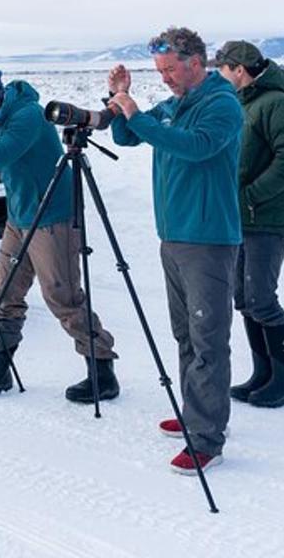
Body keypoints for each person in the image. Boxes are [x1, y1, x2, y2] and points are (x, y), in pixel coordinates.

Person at [0, 57, 120, 402]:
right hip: (19, 217)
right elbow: (2, 157)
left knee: (63, 297)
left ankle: (102, 370)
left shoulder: (28, 115)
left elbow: (2, 155)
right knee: (3, 292)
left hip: (52, 217)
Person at [108, 27, 242, 475]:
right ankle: (194, 412)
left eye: (169, 69)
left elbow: (196, 147)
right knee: (185, 333)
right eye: (158, 71)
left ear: (195, 63)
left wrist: (138, 115)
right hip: (175, 234)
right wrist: (122, 99)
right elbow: (129, 138)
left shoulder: (220, 104)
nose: (163, 78)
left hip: (208, 237)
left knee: (208, 339)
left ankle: (208, 439)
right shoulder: (178, 103)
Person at [214, 41, 284, 408]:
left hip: (266, 218)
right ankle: (262, 374)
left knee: (261, 298)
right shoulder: (243, 103)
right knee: (244, 297)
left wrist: (250, 196)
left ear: (239, 69)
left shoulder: (277, 104)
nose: (218, 77)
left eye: (222, 69)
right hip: (242, 218)